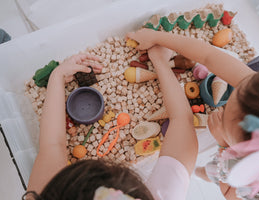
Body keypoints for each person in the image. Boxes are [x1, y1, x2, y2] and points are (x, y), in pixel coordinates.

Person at [126, 28, 259, 200]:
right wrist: (157, 37)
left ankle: (201, 173)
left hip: (231, 170)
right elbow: (209, 56)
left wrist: (223, 145)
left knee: (212, 172)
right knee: (210, 170)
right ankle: (200, 172)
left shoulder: (248, 182)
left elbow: (229, 193)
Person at [24, 45, 198, 199]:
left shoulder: (49, 192)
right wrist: (160, 61)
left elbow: (53, 145)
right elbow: (182, 121)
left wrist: (58, 77)